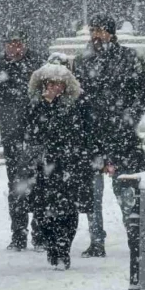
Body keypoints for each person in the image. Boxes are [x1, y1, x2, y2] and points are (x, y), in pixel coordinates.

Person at [75, 14, 145, 258]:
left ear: (111, 33)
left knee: (127, 192)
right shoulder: (82, 61)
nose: (96, 35)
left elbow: (141, 95)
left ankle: (135, 237)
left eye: (100, 31)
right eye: (93, 31)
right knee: (92, 195)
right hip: (92, 137)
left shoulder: (129, 58)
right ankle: (97, 240)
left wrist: (127, 121)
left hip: (122, 137)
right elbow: (78, 98)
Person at [20, 63, 98, 270]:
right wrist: (44, 106)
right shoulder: (33, 104)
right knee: (42, 211)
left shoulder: (78, 104)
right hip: (43, 165)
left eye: (59, 83)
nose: (55, 87)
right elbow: (30, 132)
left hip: (69, 164)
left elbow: (85, 132)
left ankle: (63, 249)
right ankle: (51, 246)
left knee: (68, 210)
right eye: (51, 83)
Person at [0, 30, 46, 252]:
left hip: (38, 135)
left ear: (25, 44)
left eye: (18, 43)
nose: (14, 48)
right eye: (9, 44)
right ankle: (18, 234)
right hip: (12, 136)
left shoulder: (39, 65)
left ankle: (40, 234)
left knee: (40, 184)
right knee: (16, 185)